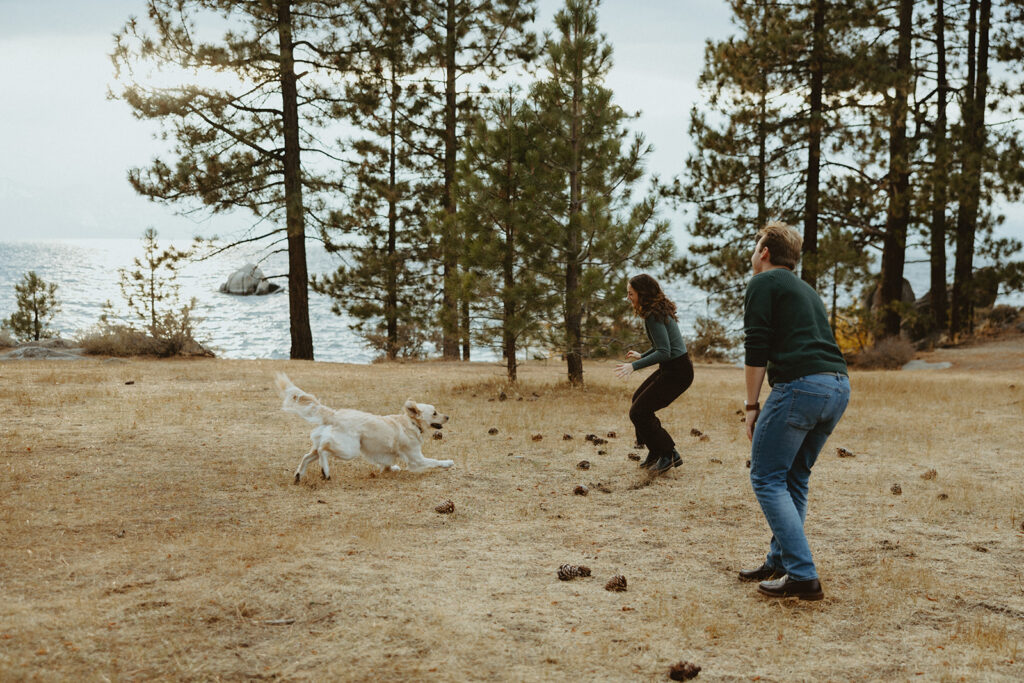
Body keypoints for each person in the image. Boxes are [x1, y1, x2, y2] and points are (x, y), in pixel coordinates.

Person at [740, 222, 850, 601]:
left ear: (765, 253)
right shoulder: (805, 289)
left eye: (757, 247)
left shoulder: (762, 282)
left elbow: (756, 346)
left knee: (766, 478)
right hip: (837, 387)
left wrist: (752, 406)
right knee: (794, 477)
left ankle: (803, 576)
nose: (754, 253)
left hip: (801, 387)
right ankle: (782, 561)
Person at [614, 274, 694, 474]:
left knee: (639, 412)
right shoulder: (656, 311)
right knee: (637, 402)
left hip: (678, 373)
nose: (628, 298)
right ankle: (656, 451)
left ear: (642, 294)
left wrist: (634, 366)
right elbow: (662, 346)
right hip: (673, 368)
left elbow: (664, 352)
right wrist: (642, 355)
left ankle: (669, 454)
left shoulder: (652, 315)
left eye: (631, 294)